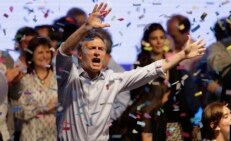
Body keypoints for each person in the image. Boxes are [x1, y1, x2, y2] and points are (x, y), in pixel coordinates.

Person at [55, 3, 205, 141]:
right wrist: (86, 27)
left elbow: (153, 69)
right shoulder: (69, 77)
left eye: (100, 49)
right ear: (79, 55)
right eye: (91, 48)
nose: (96, 53)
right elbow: (64, 51)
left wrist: (182, 55)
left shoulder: (112, 80)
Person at [10, 37, 57, 141]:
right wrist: (44, 108)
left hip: (55, 136)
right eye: (40, 52)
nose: (45, 56)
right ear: (31, 56)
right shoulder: (24, 80)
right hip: (31, 136)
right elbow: (17, 111)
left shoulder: (59, 79)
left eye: (47, 52)